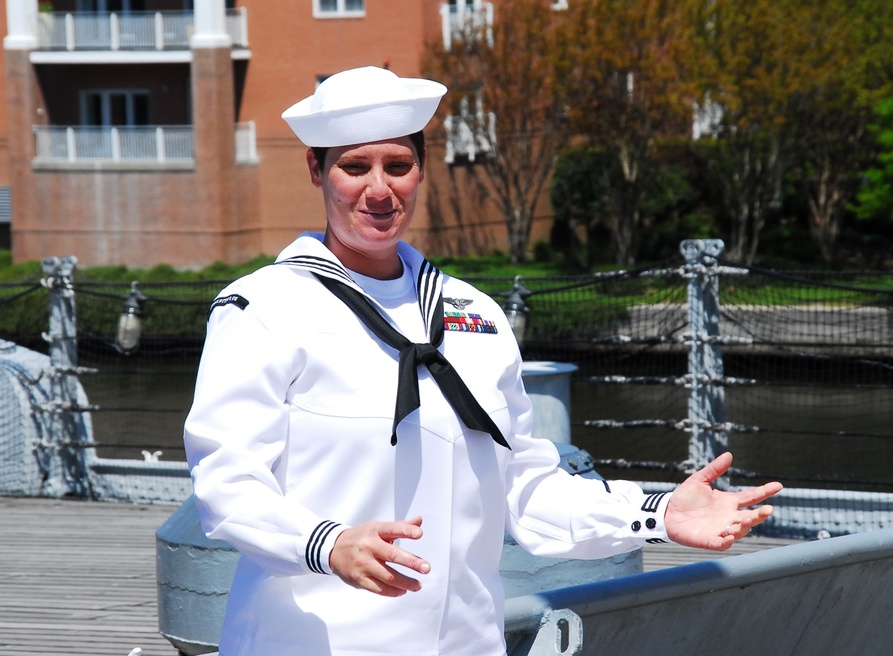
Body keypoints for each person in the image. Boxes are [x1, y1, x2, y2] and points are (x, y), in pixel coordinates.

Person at [183, 65, 783, 656]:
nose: (379, 189)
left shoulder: (475, 316)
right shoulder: (264, 308)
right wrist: (329, 544)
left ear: (421, 171)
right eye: (353, 166)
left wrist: (658, 512)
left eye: (399, 166)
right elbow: (228, 483)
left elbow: (523, 484)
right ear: (315, 170)